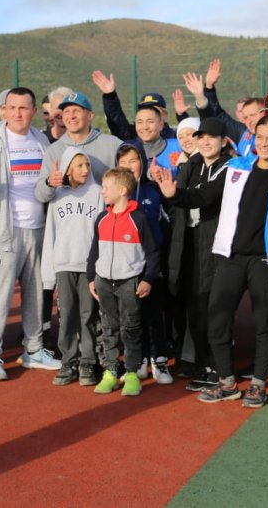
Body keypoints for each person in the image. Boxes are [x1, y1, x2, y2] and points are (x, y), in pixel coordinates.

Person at [155, 113, 268, 409]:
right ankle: (227, 383)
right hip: (231, 257)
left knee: (266, 322)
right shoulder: (237, 167)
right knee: (217, 319)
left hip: (265, 261)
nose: (264, 143)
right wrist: (175, 195)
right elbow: (206, 195)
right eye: (259, 137)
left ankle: (258, 384)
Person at [0, 87, 61, 381]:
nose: (18, 113)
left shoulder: (41, 141)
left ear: (33, 111)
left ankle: (34, 349)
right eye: (12, 107)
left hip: (38, 230)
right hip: (4, 233)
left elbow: (46, 184)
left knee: (36, 294)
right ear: (3, 111)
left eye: (24, 108)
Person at [162, 118, 232, 392]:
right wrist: (175, 190)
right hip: (190, 243)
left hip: (216, 246)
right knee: (196, 309)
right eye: (200, 137)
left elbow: (204, 196)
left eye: (211, 137)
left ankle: (219, 368)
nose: (204, 142)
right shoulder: (193, 164)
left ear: (223, 141)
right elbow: (181, 189)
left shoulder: (230, 167)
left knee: (214, 310)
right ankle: (204, 365)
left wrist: (175, 194)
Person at [88, 167, 161, 396]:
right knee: (108, 328)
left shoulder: (138, 219)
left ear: (122, 190)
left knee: (131, 329)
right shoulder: (102, 219)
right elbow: (94, 251)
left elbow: (153, 253)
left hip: (130, 283)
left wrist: (148, 279)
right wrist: (91, 278)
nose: (102, 191)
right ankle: (110, 372)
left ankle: (131, 374)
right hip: (103, 282)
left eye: (106, 187)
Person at [41, 148, 105, 386]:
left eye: (87, 164)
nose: (85, 169)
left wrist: (99, 267)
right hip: (64, 265)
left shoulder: (97, 193)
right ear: (67, 168)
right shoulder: (57, 195)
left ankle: (88, 361)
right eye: (79, 165)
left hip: (88, 267)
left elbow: (101, 233)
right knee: (67, 315)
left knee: (88, 315)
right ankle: (69, 361)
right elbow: (50, 234)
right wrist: (49, 275)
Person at [116, 140, 172, 384]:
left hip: (152, 263)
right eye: (123, 162)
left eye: (134, 160)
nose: (129, 166)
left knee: (154, 314)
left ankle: (159, 359)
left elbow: (167, 224)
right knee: (132, 317)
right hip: (126, 265)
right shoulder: (114, 194)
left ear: (142, 162)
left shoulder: (153, 190)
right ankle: (138, 359)